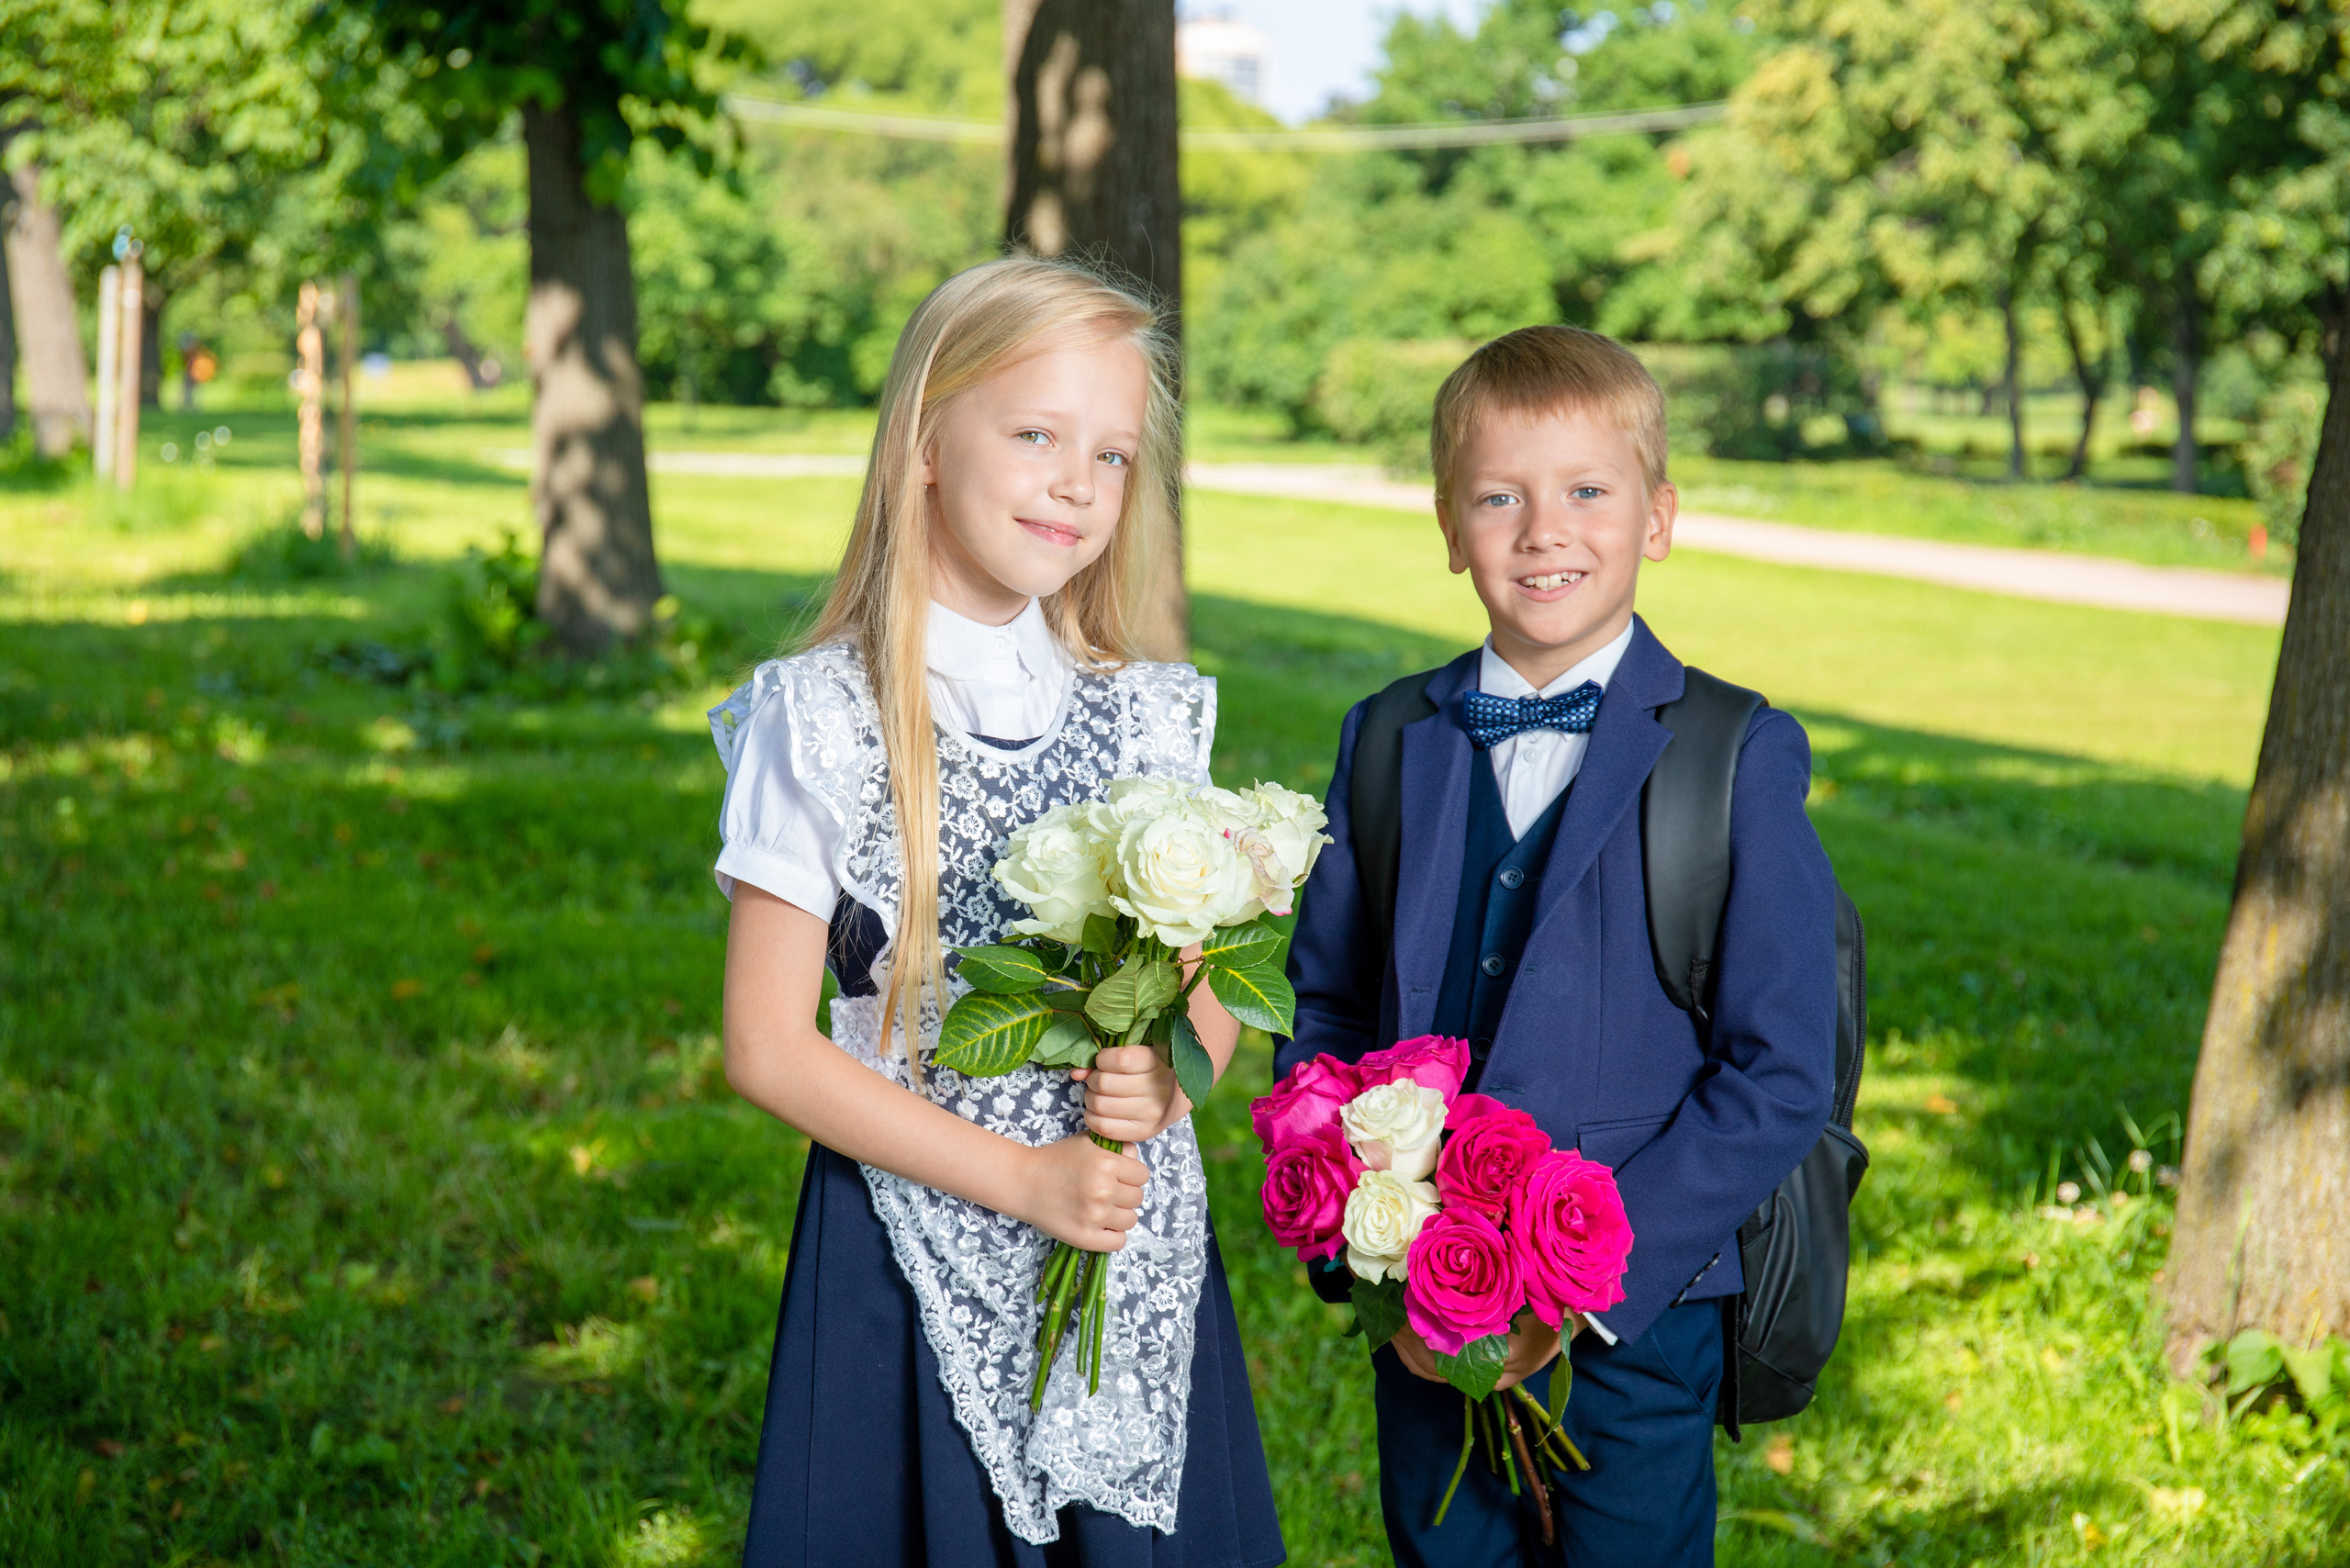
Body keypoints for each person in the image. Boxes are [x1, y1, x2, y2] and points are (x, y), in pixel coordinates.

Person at [711, 257, 1286, 1568]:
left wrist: (1170, 1080)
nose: (1077, 483)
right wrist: (1024, 1180)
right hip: (910, 1248)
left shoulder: (1150, 710)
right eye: (1034, 434)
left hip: (1121, 1249)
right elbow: (768, 1043)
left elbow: (1204, 998)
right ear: (923, 442)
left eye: (1115, 454)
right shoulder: (824, 716)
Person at [1279, 326, 1840, 1567]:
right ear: (1447, 525)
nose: (1545, 530)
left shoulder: (1731, 756)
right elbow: (1321, 1007)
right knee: (1447, 1552)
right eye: (1500, 496)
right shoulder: (1387, 740)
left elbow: (1783, 1068)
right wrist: (1362, 1234)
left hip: (1636, 1319)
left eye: (1589, 490)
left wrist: (1577, 1286)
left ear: (1658, 517)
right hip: (1424, 1309)